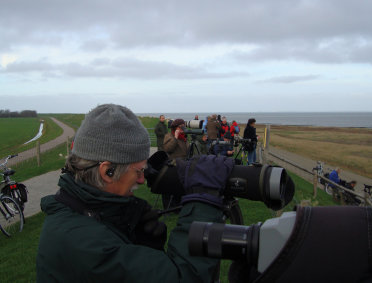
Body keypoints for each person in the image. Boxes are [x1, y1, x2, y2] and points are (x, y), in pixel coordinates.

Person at [36, 104, 232, 282]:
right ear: (107, 172)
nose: (141, 179)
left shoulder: (77, 212)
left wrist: (134, 238)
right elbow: (184, 277)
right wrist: (203, 200)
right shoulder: (84, 245)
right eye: (138, 171)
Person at [162, 119, 188, 209]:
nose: (183, 128)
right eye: (181, 126)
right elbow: (168, 149)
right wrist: (175, 137)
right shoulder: (169, 136)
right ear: (176, 127)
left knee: (180, 186)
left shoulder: (184, 137)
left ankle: (179, 205)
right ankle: (170, 207)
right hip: (173, 164)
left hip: (183, 164)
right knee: (171, 187)